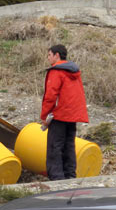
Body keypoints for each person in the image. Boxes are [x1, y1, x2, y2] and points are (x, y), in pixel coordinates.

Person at [41, 44, 89, 180]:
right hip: (73, 115)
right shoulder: (74, 71)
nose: (48, 58)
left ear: (57, 55)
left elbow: (51, 96)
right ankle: (70, 176)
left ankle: (57, 179)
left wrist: (45, 116)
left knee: (54, 147)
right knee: (69, 145)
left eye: (49, 55)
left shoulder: (56, 71)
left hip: (59, 115)